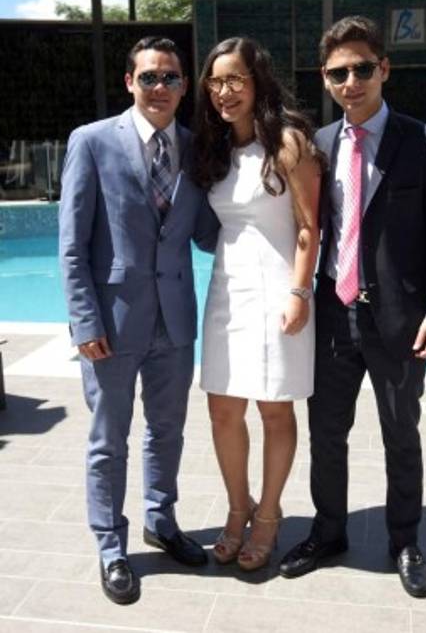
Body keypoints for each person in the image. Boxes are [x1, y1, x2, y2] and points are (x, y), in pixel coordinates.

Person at [279, 16, 426, 598]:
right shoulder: (319, 146)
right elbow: (309, 228)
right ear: (325, 78)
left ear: (384, 68)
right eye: (339, 73)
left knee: (400, 433)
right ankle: (328, 532)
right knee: (326, 432)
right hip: (335, 315)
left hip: (401, 321)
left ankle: (404, 540)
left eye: (362, 69)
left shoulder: (425, 143)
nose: (351, 82)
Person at [59, 36, 218, 605]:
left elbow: (207, 233)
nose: (160, 87)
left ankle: (161, 520)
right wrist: (85, 323)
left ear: (184, 86)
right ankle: (110, 546)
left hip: (175, 321)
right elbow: (72, 247)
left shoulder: (197, 149)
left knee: (168, 431)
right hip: (112, 325)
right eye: (149, 76)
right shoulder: (91, 142)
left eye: (170, 77)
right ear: (129, 82)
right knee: (109, 440)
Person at [193, 37, 321, 571]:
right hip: (226, 291)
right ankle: (237, 507)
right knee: (222, 408)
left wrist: (299, 292)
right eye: (215, 81)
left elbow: (310, 227)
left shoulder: (288, 142)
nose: (224, 92)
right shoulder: (215, 147)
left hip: (277, 294)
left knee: (274, 408)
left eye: (235, 79)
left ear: (258, 81)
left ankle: (268, 515)